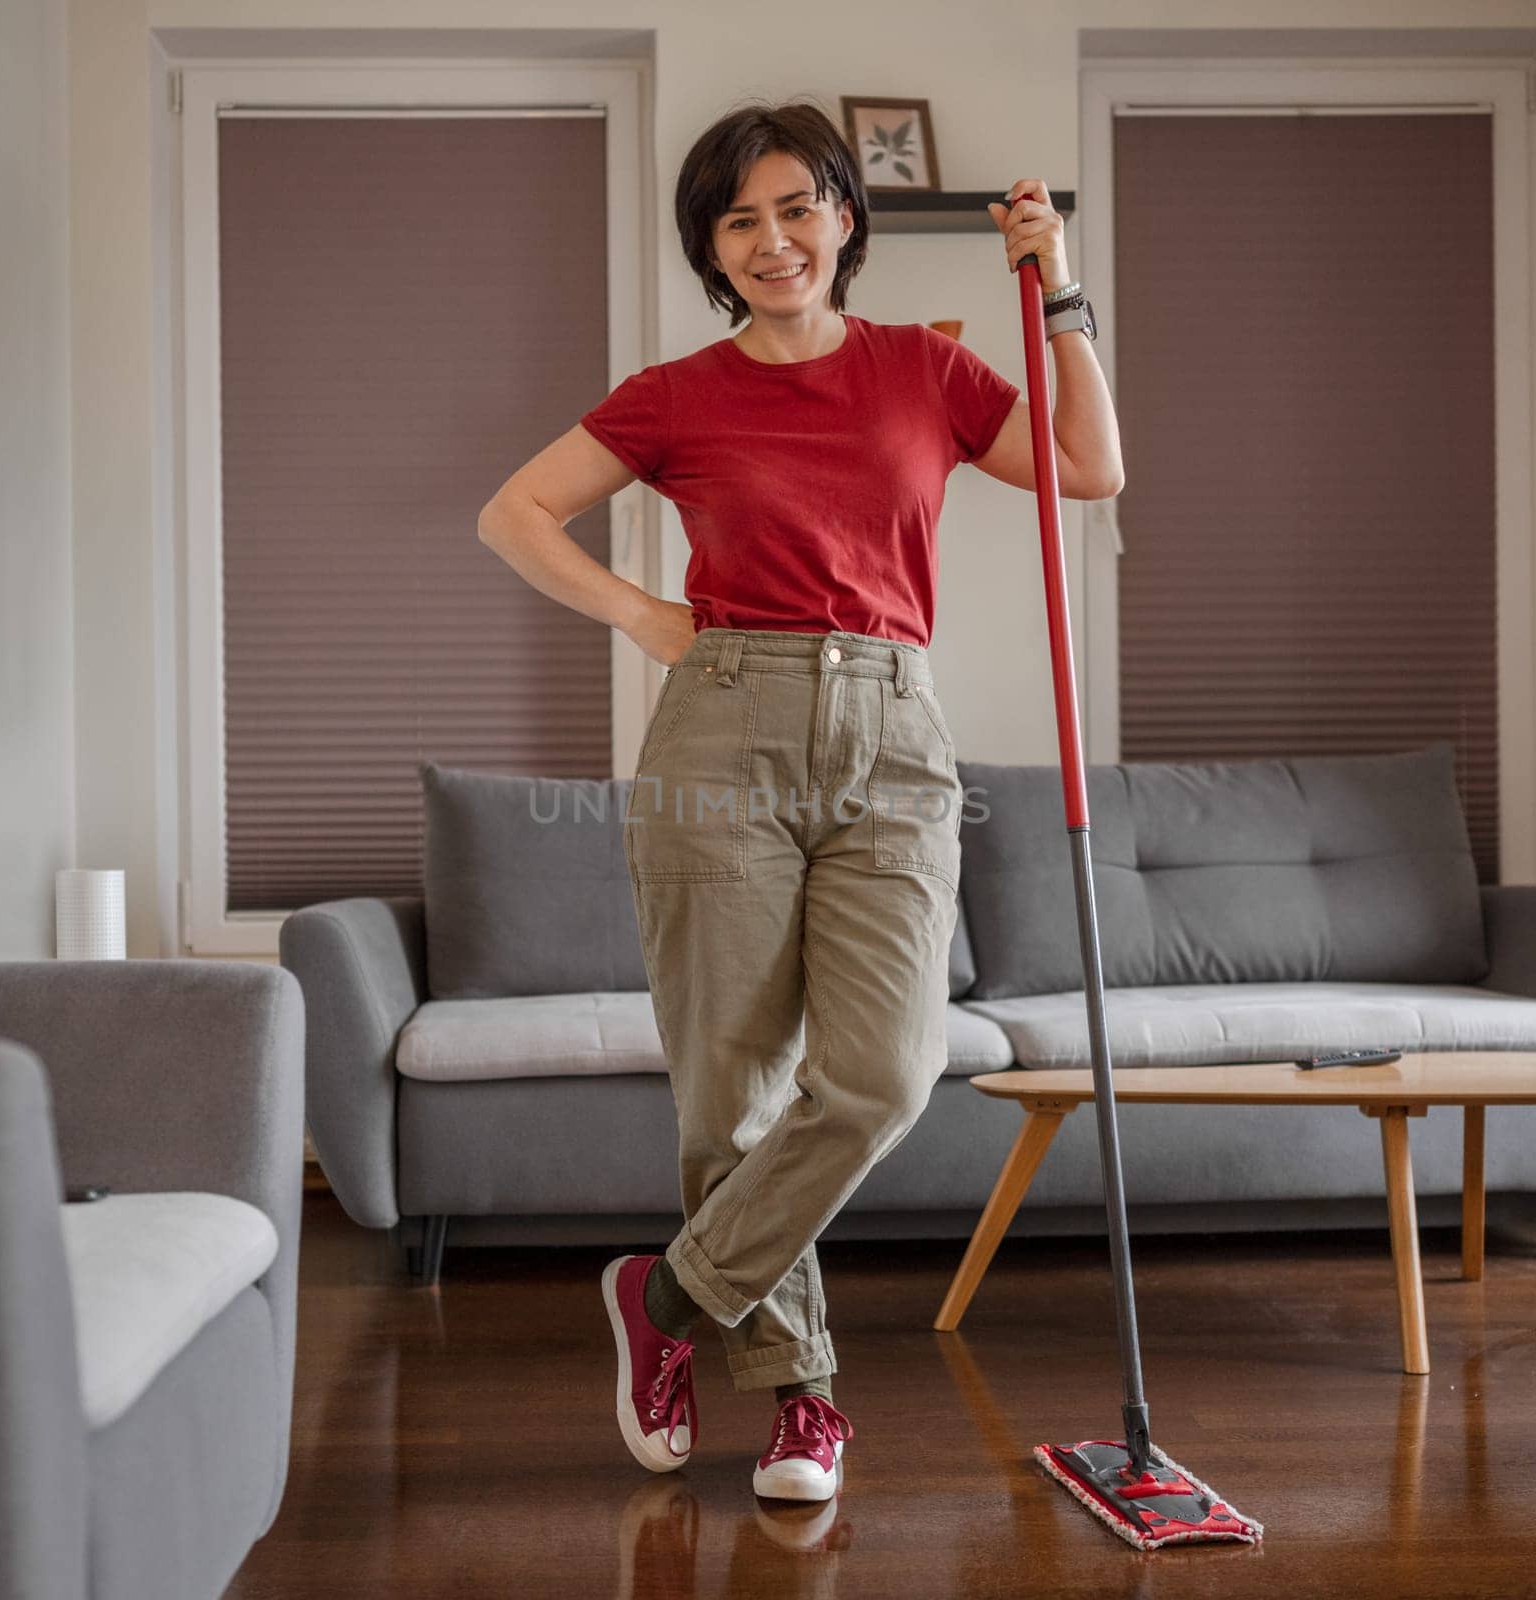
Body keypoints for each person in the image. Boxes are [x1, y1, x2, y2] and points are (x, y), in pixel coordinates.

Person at [478, 98, 1123, 1504]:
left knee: (884, 1073)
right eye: (737, 219)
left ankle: (666, 1298)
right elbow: (514, 513)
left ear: (844, 215)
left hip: (894, 732)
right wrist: (649, 617)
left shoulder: (923, 370)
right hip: (723, 730)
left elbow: (1088, 470)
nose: (772, 240)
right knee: (732, 1090)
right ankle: (798, 1404)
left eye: (794, 207)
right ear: (711, 248)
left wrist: (1058, 291)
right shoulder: (675, 392)